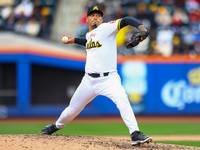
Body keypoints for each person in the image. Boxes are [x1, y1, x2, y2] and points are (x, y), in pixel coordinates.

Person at [40, 5, 152, 146]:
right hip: (88, 81)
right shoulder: (89, 35)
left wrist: (141, 28)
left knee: (122, 100)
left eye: (98, 16)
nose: (95, 18)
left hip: (108, 79)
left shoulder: (106, 28)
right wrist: (73, 40)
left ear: (102, 19)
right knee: (72, 110)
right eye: (92, 15)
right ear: (87, 19)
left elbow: (126, 19)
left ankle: (135, 134)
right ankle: (56, 126)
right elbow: (88, 42)